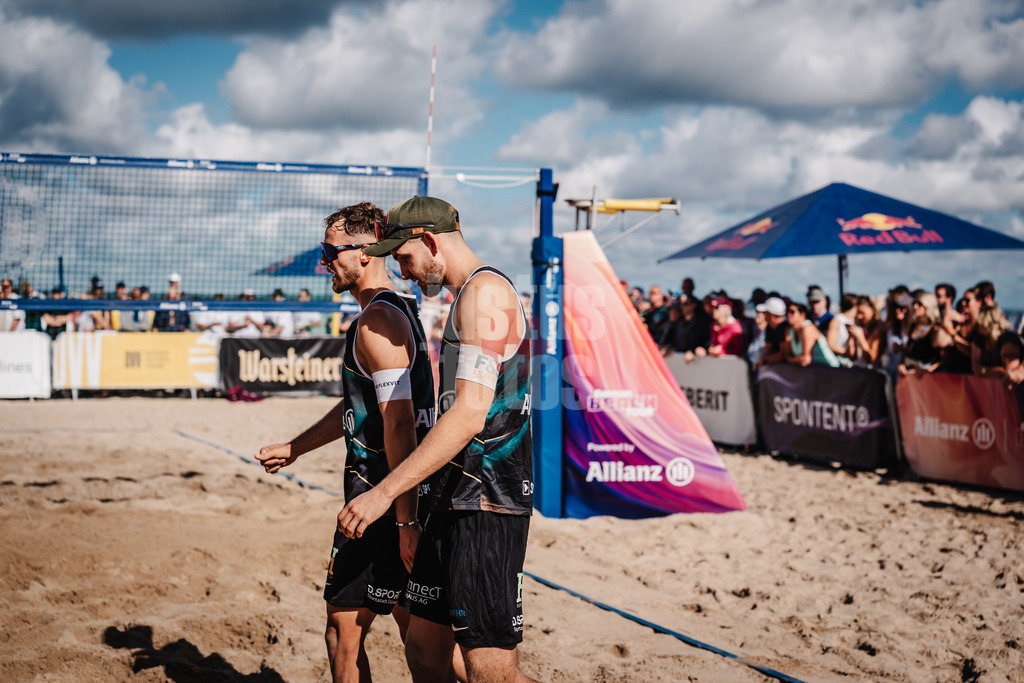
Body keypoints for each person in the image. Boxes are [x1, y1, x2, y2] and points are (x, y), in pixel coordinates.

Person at [337, 195, 537, 683]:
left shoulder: (486, 293)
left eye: (403, 257)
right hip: (451, 498)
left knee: (490, 668)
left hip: (486, 505)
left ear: (429, 241)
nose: (402, 271)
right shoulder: (465, 295)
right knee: (425, 652)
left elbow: (469, 415)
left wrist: (383, 494)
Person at [255, 202, 450, 682]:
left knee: (345, 634)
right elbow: (359, 405)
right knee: (438, 654)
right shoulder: (398, 307)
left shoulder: (377, 323)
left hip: (383, 505)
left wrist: (403, 518)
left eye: (329, 251)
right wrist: (296, 447)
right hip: (404, 496)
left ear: (364, 252)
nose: (324, 263)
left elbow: (400, 425)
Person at [898, 291, 950, 376]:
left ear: (928, 305)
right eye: (914, 303)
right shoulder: (913, 326)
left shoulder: (935, 328)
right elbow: (907, 350)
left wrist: (927, 370)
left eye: (919, 304)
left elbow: (944, 356)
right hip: (908, 374)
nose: (915, 306)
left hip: (925, 377)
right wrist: (901, 364)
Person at [785, 302, 843, 367]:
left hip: (831, 368)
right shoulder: (790, 330)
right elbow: (788, 356)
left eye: (792, 312)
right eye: (787, 311)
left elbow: (806, 360)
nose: (788, 314)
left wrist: (792, 359)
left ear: (802, 314)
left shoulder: (807, 328)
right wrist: (796, 359)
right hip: (816, 369)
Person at [848, 295, 885, 366]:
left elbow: (871, 359)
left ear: (872, 310)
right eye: (858, 313)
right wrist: (851, 339)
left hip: (871, 371)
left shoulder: (877, 328)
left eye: (862, 313)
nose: (859, 316)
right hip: (857, 368)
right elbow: (852, 356)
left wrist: (860, 337)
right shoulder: (860, 326)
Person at [755, 296, 790, 365]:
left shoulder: (786, 327)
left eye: (765, 312)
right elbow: (768, 349)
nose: (763, 315)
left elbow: (783, 355)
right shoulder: (769, 327)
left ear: (771, 315)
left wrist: (766, 358)